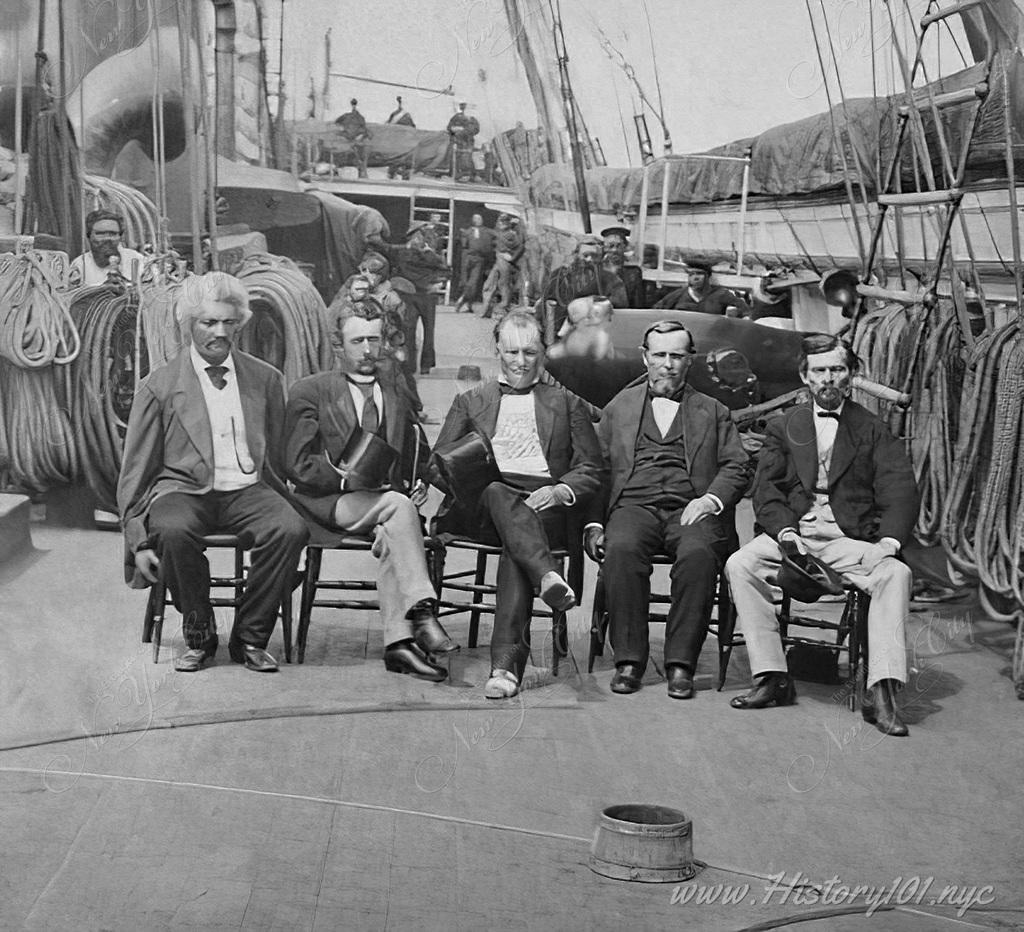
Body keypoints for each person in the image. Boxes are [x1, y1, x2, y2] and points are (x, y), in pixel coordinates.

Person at [726, 334, 919, 736]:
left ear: (851, 375)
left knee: (895, 575)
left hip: (850, 538)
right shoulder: (785, 426)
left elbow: (900, 489)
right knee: (740, 564)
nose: (828, 379)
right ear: (805, 376)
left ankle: (880, 691)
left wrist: (888, 543)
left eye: (837, 369)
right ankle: (773, 675)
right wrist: (785, 533)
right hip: (797, 531)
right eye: (819, 371)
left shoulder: (872, 428)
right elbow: (768, 491)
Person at [117, 271, 309, 673]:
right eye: (208, 322)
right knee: (172, 529)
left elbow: (280, 452)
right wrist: (138, 540)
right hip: (183, 491)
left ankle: (251, 637)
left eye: (228, 322)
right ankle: (199, 633)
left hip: (249, 489)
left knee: (290, 528)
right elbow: (135, 470)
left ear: (239, 323)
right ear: (190, 324)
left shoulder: (266, 379)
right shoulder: (159, 386)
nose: (219, 332)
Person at [432, 311, 603, 699]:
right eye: (513, 352)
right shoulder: (472, 400)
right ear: (498, 352)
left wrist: (560, 491)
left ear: (542, 352)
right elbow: (437, 461)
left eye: (530, 351)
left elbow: (592, 467)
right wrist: (468, 484)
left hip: (547, 504)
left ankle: (504, 670)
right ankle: (547, 575)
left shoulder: (564, 402)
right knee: (497, 493)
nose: (522, 361)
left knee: (517, 545)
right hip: (485, 506)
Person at [283, 301, 457, 682]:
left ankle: (399, 645)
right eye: (357, 340)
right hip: (328, 501)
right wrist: (345, 478)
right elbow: (296, 464)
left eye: (373, 339)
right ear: (338, 345)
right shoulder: (310, 391)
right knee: (396, 508)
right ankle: (423, 612)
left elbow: (416, 447)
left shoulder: (394, 389)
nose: (366, 349)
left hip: (383, 505)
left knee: (397, 516)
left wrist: (425, 480)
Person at [583, 320, 750, 699]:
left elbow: (737, 466)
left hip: (691, 508)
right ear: (645, 358)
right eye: (659, 355)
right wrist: (593, 523)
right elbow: (598, 469)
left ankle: (681, 663)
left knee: (698, 555)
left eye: (677, 356)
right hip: (633, 505)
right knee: (621, 550)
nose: (667, 364)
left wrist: (711, 500)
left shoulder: (713, 410)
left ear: (690, 360)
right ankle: (629, 659)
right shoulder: (618, 408)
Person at [368, 223, 451, 379]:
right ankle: (410, 365)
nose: (419, 239)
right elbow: (384, 248)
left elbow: (447, 271)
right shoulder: (401, 252)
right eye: (417, 236)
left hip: (427, 296)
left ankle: (426, 365)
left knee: (428, 332)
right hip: (409, 296)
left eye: (422, 236)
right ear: (411, 237)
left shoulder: (430, 255)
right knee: (409, 330)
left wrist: (438, 284)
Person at [537, 235, 628, 338]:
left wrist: (588, 304)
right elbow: (545, 305)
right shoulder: (559, 276)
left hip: (594, 336)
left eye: (595, 256)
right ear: (576, 255)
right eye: (585, 255)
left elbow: (620, 304)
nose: (589, 260)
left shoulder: (610, 279)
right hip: (559, 336)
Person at [69, 209, 146, 287]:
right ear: (89, 236)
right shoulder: (80, 265)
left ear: (120, 236)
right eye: (100, 234)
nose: (107, 239)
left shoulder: (136, 259)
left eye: (113, 233)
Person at [654, 258, 751, 317]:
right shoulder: (678, 295)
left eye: (700, 274)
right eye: (691, 274)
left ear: (708, 276)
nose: (695, 277)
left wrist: (736, 314)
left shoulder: (721, 294)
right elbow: (656, 312)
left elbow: (745, 311)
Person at [547, 295, 615, 362]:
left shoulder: (600, 336)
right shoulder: (573, 330)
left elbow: (598, 356)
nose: (591, 315)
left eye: (596, 314)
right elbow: (563, 344)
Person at [481, 212, 524, 317]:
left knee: (503, 285)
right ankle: (487, 310)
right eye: (500, 221)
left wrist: (512, 258)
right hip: (498, 260)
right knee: (489, 285)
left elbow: (520, 247)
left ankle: (503, 308)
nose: (501, 223)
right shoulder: (498, 232)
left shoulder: (512, 234)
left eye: (504, 221)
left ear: (508, 223)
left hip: (505, 261)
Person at [453, 213, 495, 314]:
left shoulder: (487, 231)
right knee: (464, 281)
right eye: (476, 218)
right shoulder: (467, 232)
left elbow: (496, 238)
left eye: (480, 218)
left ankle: (463, 300)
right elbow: (463, 245)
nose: (478, 220)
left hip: (479, 258)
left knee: (474, 282)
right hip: (467, 257)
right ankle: (468, 303)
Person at [600, 225, 645, 308]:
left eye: (619, 246)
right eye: (611, 246)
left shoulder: (633, 271)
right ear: (604, 248)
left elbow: (638, 303)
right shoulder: (598, 269)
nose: (615, 250)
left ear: (625, 247)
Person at [335, 98, 370, 178]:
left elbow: (363, 129)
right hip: (349, 138)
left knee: (361, 152)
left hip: (355, 139)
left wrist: (359, 136)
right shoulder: (349, 116)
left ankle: (362, 170)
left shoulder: (359, 117)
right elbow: (337, 123)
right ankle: (362, 170)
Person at [447, 102, 479, 181]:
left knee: (466, 158)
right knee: (454, 158)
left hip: (467, 142)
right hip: (455, 141)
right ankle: (454, 174)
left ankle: (468, 175)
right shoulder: (456, 117)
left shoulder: (472, 119)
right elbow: (449, 127)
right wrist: (453, 129)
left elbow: (475, 130)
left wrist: (462, 130)